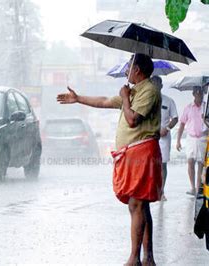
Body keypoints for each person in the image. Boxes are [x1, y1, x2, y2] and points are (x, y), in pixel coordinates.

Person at [57, 54, 162, 265]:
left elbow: (133, 120)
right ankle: (147, 258)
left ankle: (135, 258)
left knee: (137, 204)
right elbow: (104, 101)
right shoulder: (134, 91)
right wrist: (78, 99)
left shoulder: (149, 90)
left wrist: (124, 98)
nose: (125, 71)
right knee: (141, 205)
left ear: (138, 70)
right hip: (132, 153)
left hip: (141, 152)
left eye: (128, 67)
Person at [150, 76, 178, 201]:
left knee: (163, 165)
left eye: (157, 84)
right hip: (149, 136)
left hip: (163, 137)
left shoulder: (168, 101)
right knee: (150, 165)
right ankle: (150, 190)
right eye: (153, 83)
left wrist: (167, 128)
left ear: (161, 86)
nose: (155, 86)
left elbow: (175, 118)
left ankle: (161, 192)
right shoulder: (146, 101)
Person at [176, 86, 208, 196]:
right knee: (190, 162)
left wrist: (206, 118)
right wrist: (178, 140)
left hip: (203, 138)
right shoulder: (188, 107)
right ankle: (192, 187)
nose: (199, 94)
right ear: (193, 94)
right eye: (197, 93)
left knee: (201, 163)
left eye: (201, 93)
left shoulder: (207, 107)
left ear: (203, 94)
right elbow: (182, 124)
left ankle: (198, 187)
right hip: (191, 138)